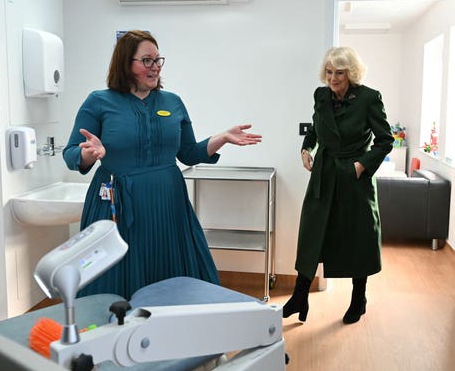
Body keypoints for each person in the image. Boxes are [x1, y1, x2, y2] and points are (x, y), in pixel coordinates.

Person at [63, 30, 261, 299]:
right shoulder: (99, 102)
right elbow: (71, 153)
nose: (155, 67)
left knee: (171, 275)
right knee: (115, 282)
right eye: (147, 60)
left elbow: (189, 153)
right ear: (125, 63)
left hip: (167, 203)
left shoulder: (173, 102)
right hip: (117, 204)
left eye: (158, 60)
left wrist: (221, 138)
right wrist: (89, 154)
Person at [282, 46, 393, 324]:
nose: (332, 78)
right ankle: (299, 296)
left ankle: (359, 299)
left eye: (339, 73)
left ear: (351, 73)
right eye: (329, 72)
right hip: (324, 172)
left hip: (354, 177)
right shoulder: (321, 96)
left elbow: (385, 140)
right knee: (311, 233)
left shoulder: (369, 98)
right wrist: (306, 148)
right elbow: (317, 128)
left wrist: (361, 166)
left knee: (359, 237)